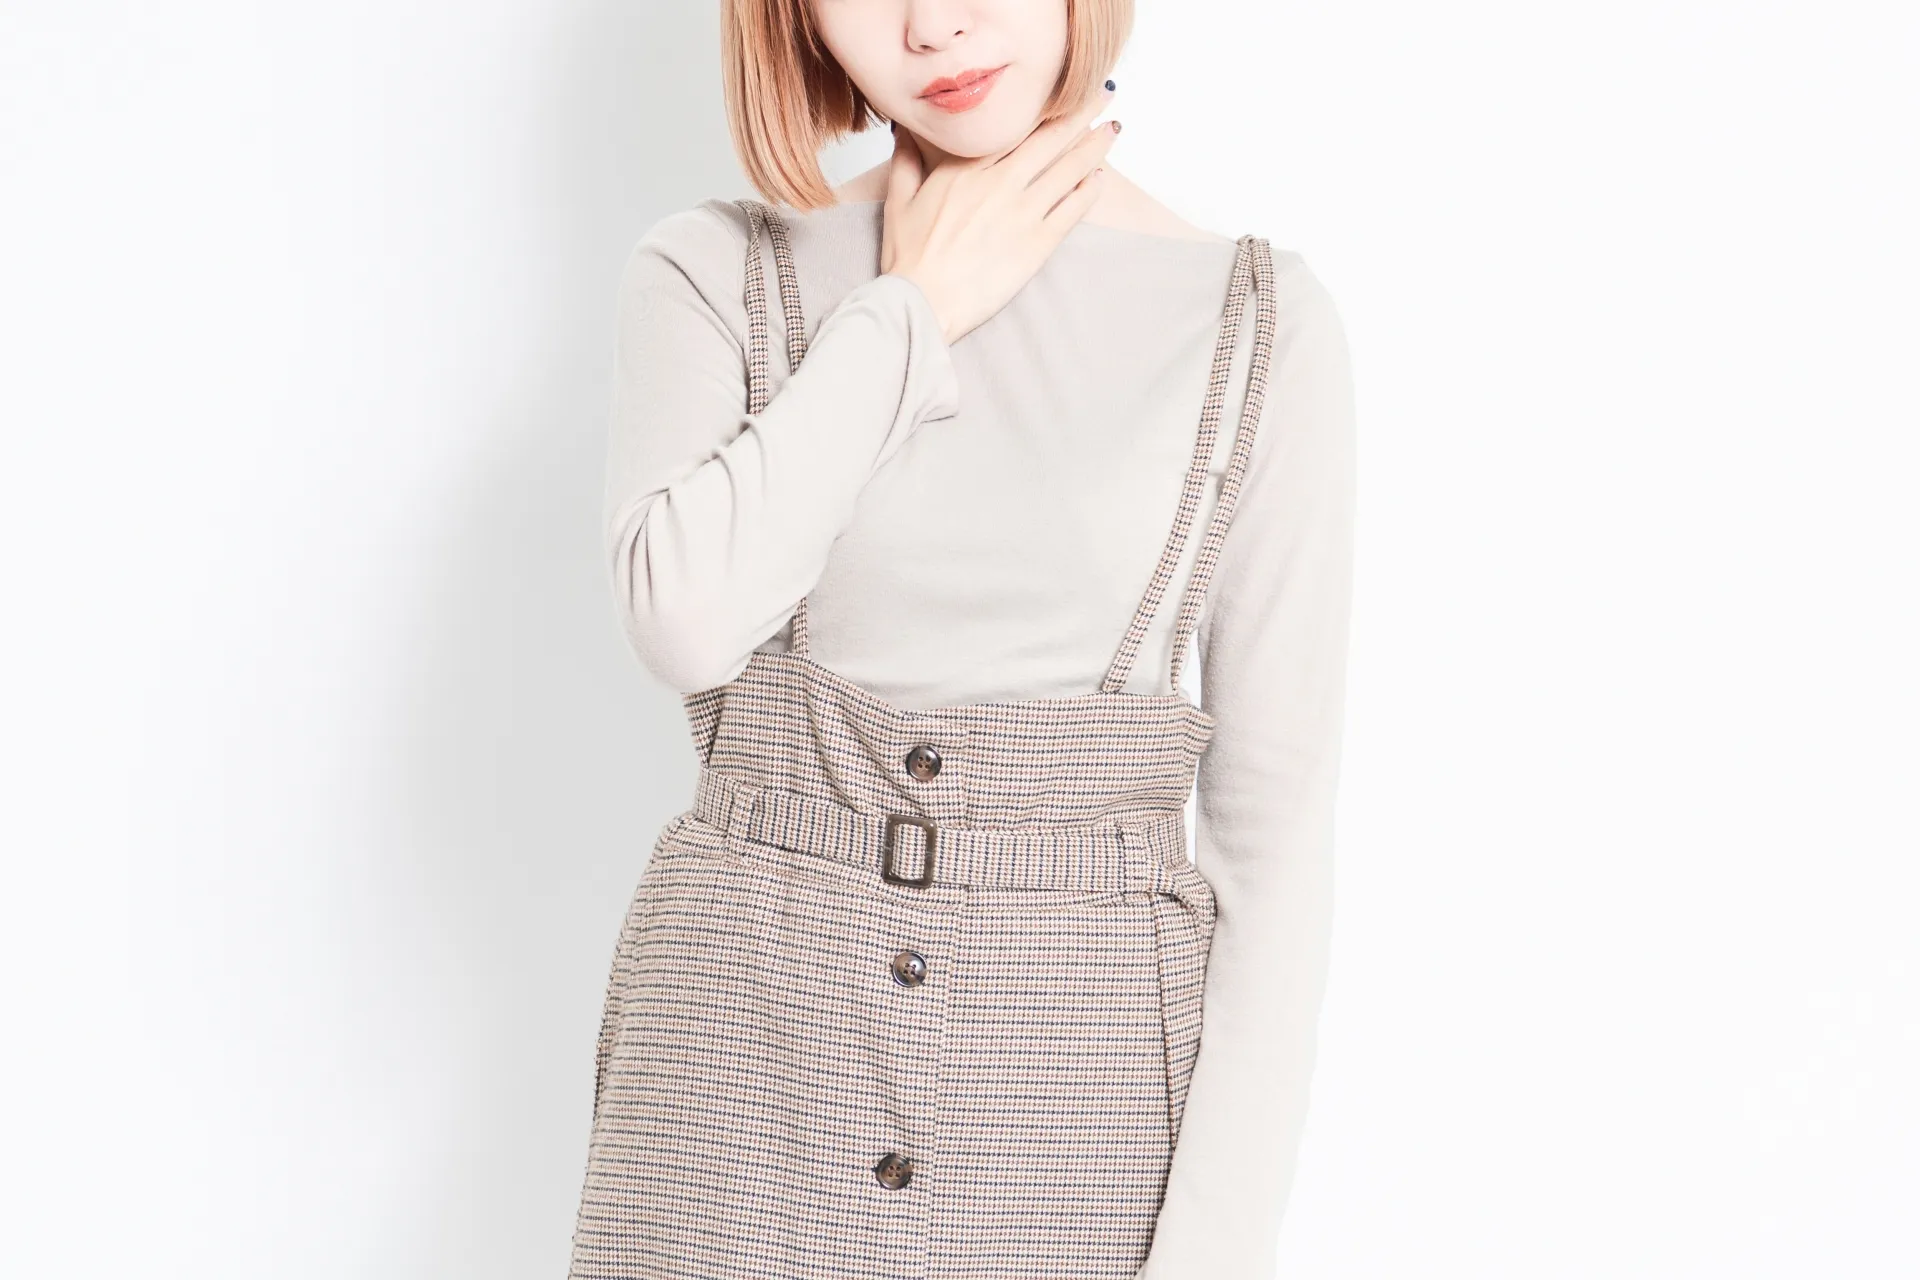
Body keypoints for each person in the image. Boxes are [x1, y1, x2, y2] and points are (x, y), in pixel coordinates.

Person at [569, 2, 1356, 1277]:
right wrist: (913, 310)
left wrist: (1213, 1255)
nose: (935, 23)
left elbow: (1274, 833)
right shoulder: (713, 269)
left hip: (1080, 1126)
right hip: (738, 1091)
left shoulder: (1256, 319)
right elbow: (687, 619)